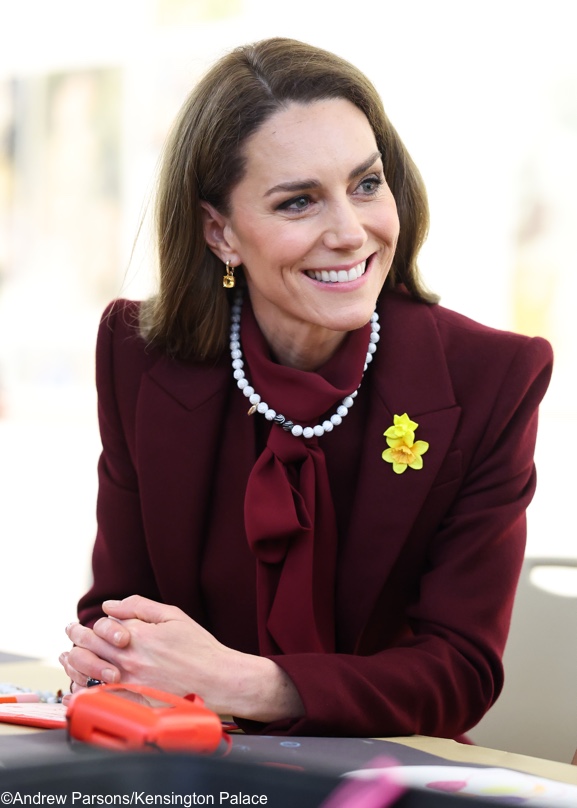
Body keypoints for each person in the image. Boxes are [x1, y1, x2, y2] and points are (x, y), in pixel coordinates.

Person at [59, 37, 553, 739]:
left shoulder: (491, 378)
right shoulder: (138, 356)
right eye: (299, 202)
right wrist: (112, 656)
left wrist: (245, 684)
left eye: (366, 185)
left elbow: (460, 671)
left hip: (382, 772)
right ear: (219, 232)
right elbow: (118, 611)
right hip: (190, 758)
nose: (350, 232)